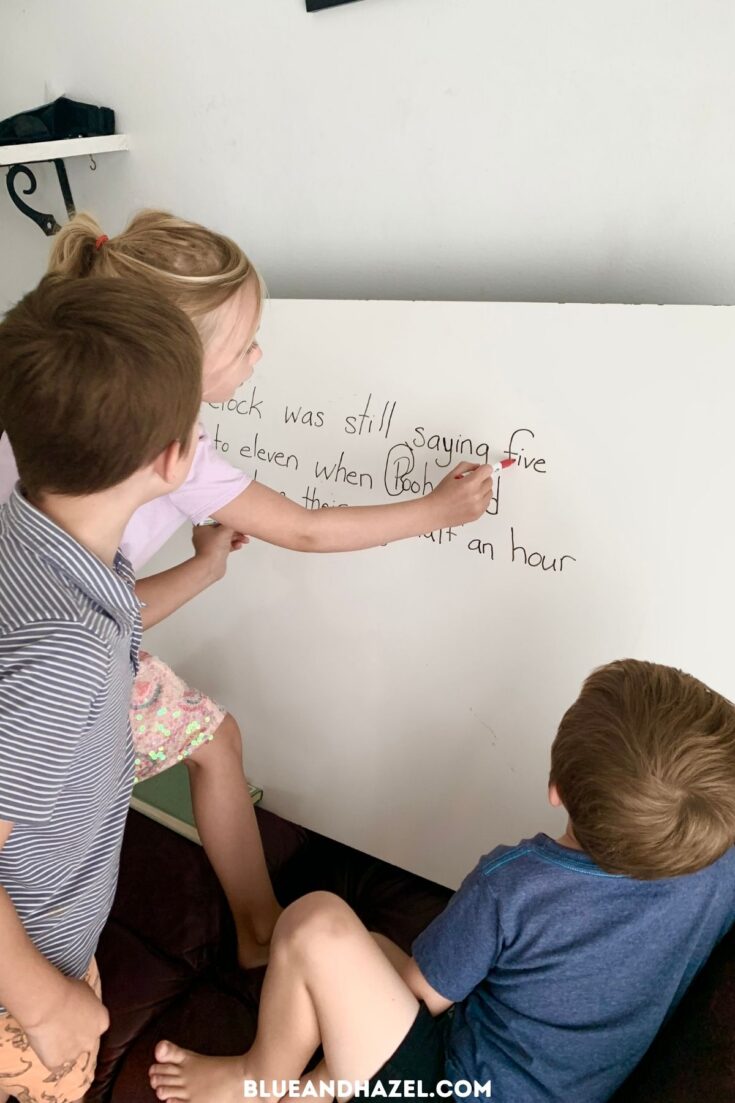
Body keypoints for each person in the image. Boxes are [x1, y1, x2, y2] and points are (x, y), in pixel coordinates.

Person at [0, 211, 496, 969]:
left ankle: (257, 924)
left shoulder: (48, 419)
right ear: (175, 370)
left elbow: (94, 613)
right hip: (45, 725)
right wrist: (438, 509)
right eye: (241, 347)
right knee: (206, 745)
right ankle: (256, 926)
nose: (256, 357)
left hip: (36, 632)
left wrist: (202, 567)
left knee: (211, 739)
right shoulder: (179, 455)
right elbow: (303, 530)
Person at [148, 659, 735, 1103]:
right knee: (363, 948)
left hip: (452, 1090)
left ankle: (262, 1082)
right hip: (568, 1088)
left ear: (555, 788)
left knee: (314, 924)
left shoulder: (517, 886)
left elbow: (420, 995)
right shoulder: (720, 862)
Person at [0, 275, 203, 1103]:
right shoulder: (70, 650)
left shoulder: (33, 535)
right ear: (171, 458)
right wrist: (45, 1001)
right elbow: (72, 660)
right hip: (22, 987)